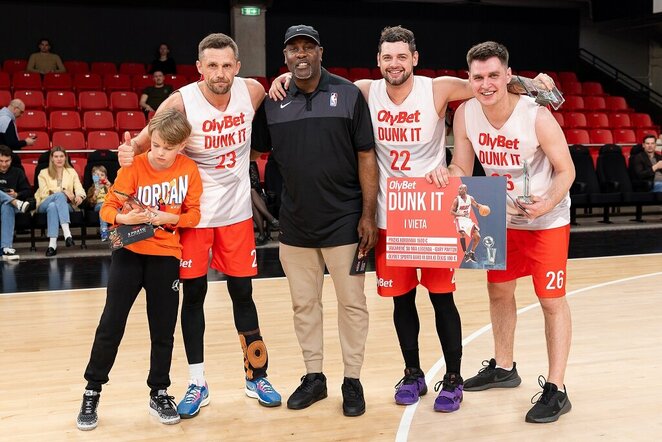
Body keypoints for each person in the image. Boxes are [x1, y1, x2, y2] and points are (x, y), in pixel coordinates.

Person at [269, 25, 554, 414]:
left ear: (414, 58)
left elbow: (489, 85)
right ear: (378, 61)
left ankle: (452, 378)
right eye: (387, 57)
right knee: (401, 303)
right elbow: (315, 78)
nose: (395, 63)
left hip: (435, 214)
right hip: (390, 216)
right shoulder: (365, 92)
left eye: (402, 56)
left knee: (441, 299)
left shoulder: (436, 89)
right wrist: (289, 75)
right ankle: (412, 372)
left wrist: (532, 84)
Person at [117, 33, 282, 417]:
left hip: (237, 215)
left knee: (244, 295)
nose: (220, 73)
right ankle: (197, 382)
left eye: (227, 65)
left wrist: (284, 80)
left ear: (237, 67)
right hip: (191, 218)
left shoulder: (253, 90)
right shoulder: (181, 101)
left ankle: (256, 376)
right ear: (199, 68)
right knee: (193, 299)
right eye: (212, 65)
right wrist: (128, 150)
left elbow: (278, 92)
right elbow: (143, 141)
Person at [432, 41, 575, 424]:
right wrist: (446, 174)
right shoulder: (464, 114)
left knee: (550, 300)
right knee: (499, 290)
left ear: (508, 76)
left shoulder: (537, 116)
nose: (486, 84)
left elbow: (567, 171)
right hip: (499, 217)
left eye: (494, 75)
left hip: (546, 220)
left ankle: (557, 389)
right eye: (478, 77)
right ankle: (505, 367)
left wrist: (546, 203)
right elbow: (462, 165)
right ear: (470, 79)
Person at [255, 24, 378, 417]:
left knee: (352, 304)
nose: (301, 55)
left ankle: (352, 380)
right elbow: (255, 146)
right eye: (294, 50)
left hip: (345, 220)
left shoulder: (348, 94)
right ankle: (314, 377)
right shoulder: (274, 101)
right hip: (295, 224)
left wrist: (368, 214)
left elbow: (366, 157)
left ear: (321, 52)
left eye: (308, 48)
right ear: (285, 57)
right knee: (304, 306)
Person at [76, 108, 202, 431]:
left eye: (167, 147)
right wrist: (123, 218)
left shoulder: (189, 170)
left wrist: (168, 218)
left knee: (163, 330)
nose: (159, 153)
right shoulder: (135, 166)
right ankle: (92, 390)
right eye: (156, 145)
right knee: (111, 323)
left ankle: (159, 391)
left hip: (166, 256)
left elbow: (193, 216)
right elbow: (107, 208)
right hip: (129, 254)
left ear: (182, 145)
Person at [34, 146, 86, 257]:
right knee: (58, 197)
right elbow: (44, 193)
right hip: (44, 203)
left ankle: (52, 245)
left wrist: (80, 196)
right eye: (56, 156)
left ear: (65, 158)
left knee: (53, 206)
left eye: (61, 156)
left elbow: (79, 187)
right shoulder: (43, 173)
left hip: (65, 205)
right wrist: (64, 192)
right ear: (52, 158)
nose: (59, 159)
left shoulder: (71, 172)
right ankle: (67, 234)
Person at [0, 145, 32, 260]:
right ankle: (15, 202)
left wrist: (16, 194)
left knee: (6, 206)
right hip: (17, 205)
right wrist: (15, 200)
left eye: (7, 161)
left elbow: (28, 191)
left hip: (9, 208)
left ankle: (6, 248)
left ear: (11, 160)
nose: (4, 164)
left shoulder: (17, 172)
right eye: (1, 161)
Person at [451, 183, 485, 263]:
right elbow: (451, 212)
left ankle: (471, 253)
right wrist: (460, 214)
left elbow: (476, 205)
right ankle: (465, 253)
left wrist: (482, 207)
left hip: (467, 220)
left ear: (465, 190)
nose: (458, 190)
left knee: (478, 236)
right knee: (462, 234)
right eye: (458, 189)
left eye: (460, 189)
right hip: (459, 219)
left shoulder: (470, 198)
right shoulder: (457, 200)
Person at [249, 160, 278, 245]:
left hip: (258, 195)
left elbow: (255, 185)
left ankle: (262, 234)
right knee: (250, 197)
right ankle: (272, 219)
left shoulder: (250, 164)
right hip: (244, 196)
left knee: (251, 192)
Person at [85, 165, 112, 241]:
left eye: (102, 175)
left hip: (110, 206)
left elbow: (115, 198)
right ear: (93, 178)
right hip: (99, 205)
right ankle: (104, 231)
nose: (99, 177)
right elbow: (90, 203)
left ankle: (120, 230)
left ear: (106, 177)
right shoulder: (92, 189)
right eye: (96, 175)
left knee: (116, 209)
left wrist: (109, 188)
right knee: (103, 206)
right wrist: (95, 194)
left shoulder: (109, 186)